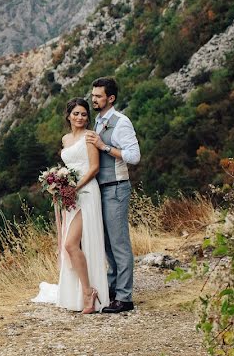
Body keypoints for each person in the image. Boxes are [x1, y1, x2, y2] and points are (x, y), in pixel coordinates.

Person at [33, 98, 110, 313]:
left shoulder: (90, 137)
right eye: (76, 113)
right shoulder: (65, 139)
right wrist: (58, 184)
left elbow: (94, 168)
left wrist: (74, 188)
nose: (80, 117)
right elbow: (69, 166)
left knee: (70, 244)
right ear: (68, 116)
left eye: (84, 114)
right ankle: (80, 292)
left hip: (86, 193)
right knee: (72, 245)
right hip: (71, 197)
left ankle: (89, 292)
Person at [85, 76, 141, 314]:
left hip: (117, 187)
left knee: (119, 243)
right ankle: (113, 288)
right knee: (106, 242)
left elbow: (134, 156)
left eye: (98, 96)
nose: (93, 99)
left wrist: (104, 147)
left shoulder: (121, 122)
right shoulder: (97, 122)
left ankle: (125, 298)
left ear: (111, 98)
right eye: (93, 95)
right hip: (101, 188)